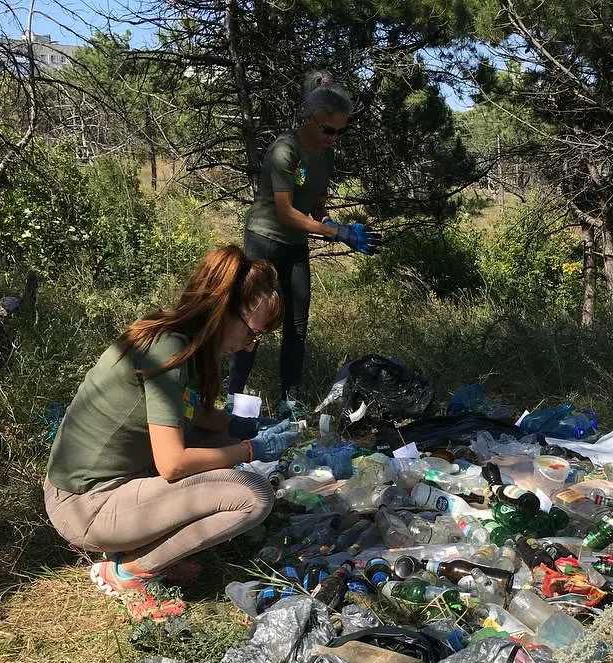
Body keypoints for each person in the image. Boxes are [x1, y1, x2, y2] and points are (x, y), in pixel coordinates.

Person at [44, 246, 300, 621]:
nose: (250, 346)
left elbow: (189, 413)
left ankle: (142, 543)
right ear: (223, 309)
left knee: (223, 451)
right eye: (252, 332)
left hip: (107, 487)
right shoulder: (169, 349)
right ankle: (127, 571)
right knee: (254, 497)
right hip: (85, 506)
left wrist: (236, 426)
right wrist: (248, 449)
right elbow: (173, 463)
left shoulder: (184, 342)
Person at [230, 70, 377, 410]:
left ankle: (289, 401)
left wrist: (335, 223)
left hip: (295, 245)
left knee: (297, 325)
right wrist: (334, 233)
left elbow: (315, 205)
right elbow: (285, 212)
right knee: (255, 319)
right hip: (265, 239)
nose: (334, 138)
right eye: (328, 130)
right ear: (311, 119)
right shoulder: (286, 151)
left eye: (341, 131)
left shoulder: (325, 154)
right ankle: (233, 395)